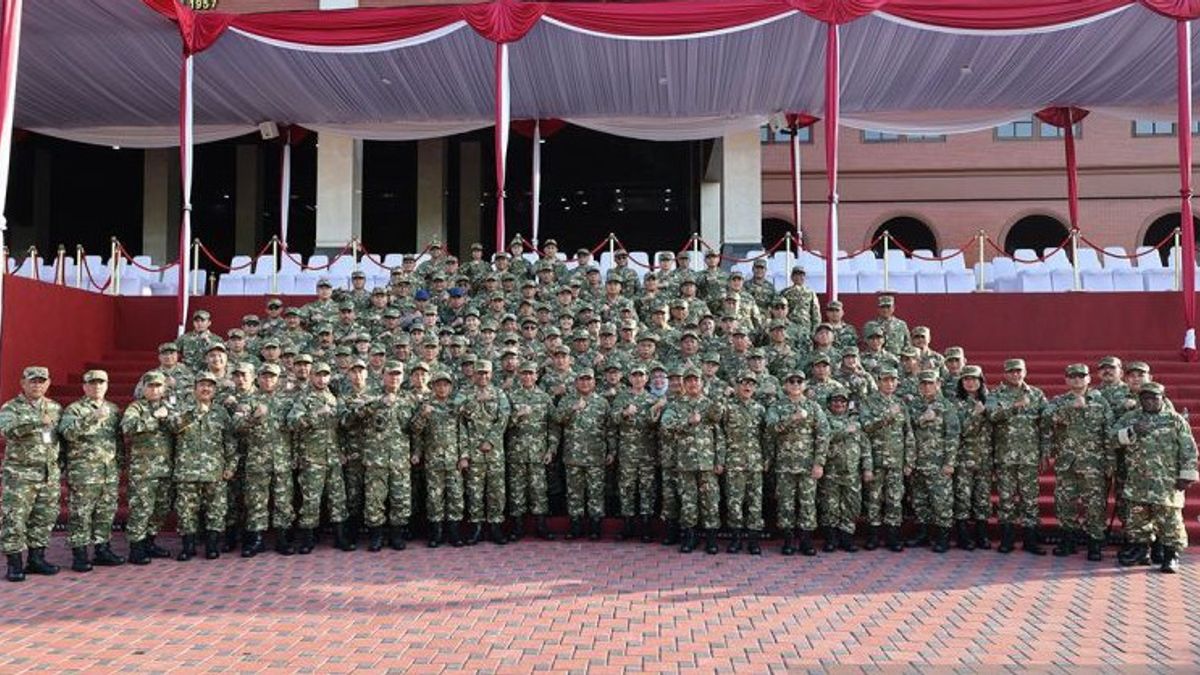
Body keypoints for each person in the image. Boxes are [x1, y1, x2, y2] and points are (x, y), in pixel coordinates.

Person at [1113, 382, 1197, 573]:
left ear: (1162, 398)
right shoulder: (1130, 418)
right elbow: (1111, 439)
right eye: (1145, 398)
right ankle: (1141, 551)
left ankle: (1171, 555)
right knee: (1137, 520)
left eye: (1154, 398)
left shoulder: (1175, 420)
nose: (1149, 401)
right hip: (1138, 480)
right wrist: (1131, 431)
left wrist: (1186, 475)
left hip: (1166, 482)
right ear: (1140, 400)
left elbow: (1189, 450)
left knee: (1170, 521)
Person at [1044, 364, 1114, 561]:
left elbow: (1108, 434)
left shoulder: (1101, 402)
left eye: (1081, 376)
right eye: (1072, 376)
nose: (1077, 380)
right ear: (1066, 380)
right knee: (1065, 503)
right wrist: (1068, 408)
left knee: (1094, 505)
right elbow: (1046, 418)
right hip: (1067, 463)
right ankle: (1069, 540)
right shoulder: (1058, 401)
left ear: (1089, 379)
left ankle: (1095, 544)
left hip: (1093, 464)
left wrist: (1110, 462)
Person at [0, 366, 63, 582]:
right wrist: (36, 421)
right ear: (23, 383)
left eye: (41, 381)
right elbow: (8, 430)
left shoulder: (54, 408)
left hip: (48, 474)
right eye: (32, 381)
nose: (37, 385)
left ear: (47, 383)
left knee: (44, 518)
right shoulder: (11, 407)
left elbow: (59, 439)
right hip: (20, 475)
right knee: (15, 518)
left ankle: (36, 559)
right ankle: (15, 564)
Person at [59, 369, 124, 572]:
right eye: (92, 383)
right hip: (84, 472)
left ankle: (102, 549)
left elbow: (118, 440)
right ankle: (79, 554)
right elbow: (67, 433)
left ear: (106, 385)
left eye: (101, 383)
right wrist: (92, 418)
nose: (97, 387)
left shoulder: (113, 409)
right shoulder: (75, 409)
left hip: (108, 471)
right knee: (81, 513)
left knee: (105, 511)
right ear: (84, 386)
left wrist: (119, 463)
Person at [170, 372, 238, 561]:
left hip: (215, 471)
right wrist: (193, 413)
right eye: (202, 385)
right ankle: (188, 547)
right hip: (187, 470)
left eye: (210, 386)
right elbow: (173, 428)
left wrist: (231, 466)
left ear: (215, 390)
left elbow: (230, 442)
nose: (206, 389)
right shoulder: (182, 409)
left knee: (216, 510)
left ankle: (212, 545)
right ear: (194, 388)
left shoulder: (221, 413)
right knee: (186, 511)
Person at [287, 362, 354, 553]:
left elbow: (343, 426)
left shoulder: (334, 399)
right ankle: (307, 540)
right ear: (311, 376)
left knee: (337, 498)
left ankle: (340, 537)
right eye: (318, 375)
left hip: (333, 457)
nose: (322, 379)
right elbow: (292, 422)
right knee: (311, 500)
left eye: (325, 375)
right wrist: (315, 414)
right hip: (312, 458)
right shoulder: (304, 399)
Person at [231, 363, 295, 556]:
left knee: (283, 501)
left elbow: (297, 427)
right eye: (265, 377)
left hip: (282, 459)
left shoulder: (287, 401)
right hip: (257, 460)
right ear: (258, 379)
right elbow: (236, 424)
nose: (268, 380)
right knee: (256, 500)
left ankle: (283, 539)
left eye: (272, 377)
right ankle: (256, 540)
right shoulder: (248, 401)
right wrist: (253, 418)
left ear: (278, 379)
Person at [661, 368, 725, 554]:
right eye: (688, 380)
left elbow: (719, 435)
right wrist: (688, 422)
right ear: (684, 384)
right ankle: (690, 537)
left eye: (695, 380)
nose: (692, 383)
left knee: (710, 501)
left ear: (701, 383)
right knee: (688, 500)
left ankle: (711, 539)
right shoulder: (676, 405)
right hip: (685, 462)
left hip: (707, 463)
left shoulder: (710, 405)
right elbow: (666, 427)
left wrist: (719, 460)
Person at [987, 358, 1047, 555]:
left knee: (1030, 499)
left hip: (1029, 456)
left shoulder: (1036, 394)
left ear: (1025, 372)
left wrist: (1044, 452)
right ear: (1005, 374)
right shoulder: (996, 394)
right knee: (1006, 499)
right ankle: (1007, 539)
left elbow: (1044, 425)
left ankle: (1030, 540)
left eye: (1018, 371)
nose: (1015, 374)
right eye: (1011, 371)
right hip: (1005, 456)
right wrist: (1014, 406)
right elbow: (992, 416)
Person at [766, 371, 830, 556]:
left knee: (807, 503)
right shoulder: (776, 407)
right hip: (785, 464)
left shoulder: (813, 407)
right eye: (791, 381)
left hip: (807, 465)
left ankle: (806, 541)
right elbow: (771, 429)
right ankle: (788, 540)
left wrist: (819, 463)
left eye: (799, 381)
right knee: (785, 502)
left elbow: (823, 435)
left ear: (804, 385)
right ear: (785, 385)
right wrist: (791, 419)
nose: (795, 384)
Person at [120, 371, 177, 564]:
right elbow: (127, 427)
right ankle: (136, 547)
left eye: (158, 386)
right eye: (150, 386)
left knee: (161, 508)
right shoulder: (136, 407)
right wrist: (154, 417)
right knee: (141, 508)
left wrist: (170, 416)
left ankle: (150, 542)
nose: (154, 390)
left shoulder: (169, 406)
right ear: (143, 388)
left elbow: (182, 427)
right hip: (143, 469)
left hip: (165, 467)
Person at [554, 369, 612, 540]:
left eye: (588, 379)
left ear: (594, 382)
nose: (585, 383)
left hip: (596, 455)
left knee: (596, 491)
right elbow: (557, 420)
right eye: (581, 379)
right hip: (573, 455)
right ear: (576, 382)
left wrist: (612, 450)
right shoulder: (567, 400)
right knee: (574, 492)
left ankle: (595, 526)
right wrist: (573, 409)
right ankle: (575, 526)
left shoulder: (602, 402)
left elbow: (609, 429)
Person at [458, 360, 512, 545]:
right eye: (480, 373)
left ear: (491, 374)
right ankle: (476, 527)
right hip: (473, 450)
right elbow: (458, 415)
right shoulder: (464, 393)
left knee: (496, 490)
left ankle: (496, 526)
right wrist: (474, 402)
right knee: (474, 491)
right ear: (474, 374)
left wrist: (490, 440)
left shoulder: (499, 394)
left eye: (487, 373)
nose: (483, 377)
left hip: (494, 450)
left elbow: (504, 418)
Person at [859, 368, 913, 552]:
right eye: (885, 380)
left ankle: (893, 535)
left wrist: (909, 461)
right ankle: (873, 535)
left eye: (893, 380)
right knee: (873, 498)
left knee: (894, 498)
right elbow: (865, 428)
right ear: (878, 381)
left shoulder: (901, 404)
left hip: (896, 461)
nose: (889, 383)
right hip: (875, 459)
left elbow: (909, 434)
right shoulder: (868, 402)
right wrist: (886, 416)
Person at [906, 371, 959, 553]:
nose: (927, 387)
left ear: (938, 384)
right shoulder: (914, 405)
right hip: (917, 461)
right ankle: (924, 534)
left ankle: (942, 537)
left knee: (941, 501)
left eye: (930, 383)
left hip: (938, 463)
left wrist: (949, 462)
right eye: (923, 384)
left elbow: (952, 436)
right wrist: (922, 419)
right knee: (920, 500)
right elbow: (906, 429)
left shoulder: (946, 406)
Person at [411, 369, 465, 547]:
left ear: (450, 387)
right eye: (438, 385)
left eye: (445, 385)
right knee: (435, 497)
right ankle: (436, 533)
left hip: (453, 460)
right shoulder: (426, 405)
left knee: (455, 496)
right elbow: (416, 431)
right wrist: (422, 416)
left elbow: (463, 432)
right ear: (432, 387)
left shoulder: (456, 406)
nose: (442, 388)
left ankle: (455, 533)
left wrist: (464, 456)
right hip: (433, 460)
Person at [609, 365, 664, 542]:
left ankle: (646, 527)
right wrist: (625, 413)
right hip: (627, 451)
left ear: (646, 379)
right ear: (630, 378)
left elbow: (657, 426)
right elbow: (613, 418)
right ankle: (628, 525)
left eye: (641, 375)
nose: (638, 379)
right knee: (626, 488)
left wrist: (656, 409)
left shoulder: (652, 399)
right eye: (635, 375)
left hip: (647, 452)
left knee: (647, 488)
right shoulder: (622, 397)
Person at [505, 361, 557, 541]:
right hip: (516, 452)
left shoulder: (544, 397)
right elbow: (503, 425)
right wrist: (516, 416)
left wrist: (551, 449)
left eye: (530, 373)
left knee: (538, 490)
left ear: (536, 376)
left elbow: (553, 425)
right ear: (519, 376)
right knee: (517, 490)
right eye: (524, 373)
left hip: (538, 452)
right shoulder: (511, 397)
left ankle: (541, 526)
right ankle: (517, 528)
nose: (527, 377)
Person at [818, 385, 872, 553]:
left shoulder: (855, 421)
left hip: (852, 472)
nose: (839, 404)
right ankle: (831, 539)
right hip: (831, 472)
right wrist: (844, 431)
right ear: (829, 403)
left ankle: (847, 538)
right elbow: (823, 439)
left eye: (842, 401)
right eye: (835, 401)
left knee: (851, 506)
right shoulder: (823, 419)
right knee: (830, 506)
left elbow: (865, 446)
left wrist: (867, 468)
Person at [722, 372, 767, 554]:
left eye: (751, 384)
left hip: (755, 462)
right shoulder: (728, 407)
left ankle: (753, 540)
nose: (747, 387)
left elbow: (766, 436)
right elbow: (719, 430)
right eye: (744, 383)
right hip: (734, 462)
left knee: (755, 502)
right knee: (734, 502)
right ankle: (736, 539)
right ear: (737, 385)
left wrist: (767, 458)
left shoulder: (760, 409)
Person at [952, 365, 993, 551]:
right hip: (964, 458)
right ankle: (963, 537)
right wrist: (976, 415)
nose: (970, 382)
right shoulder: (955, 404)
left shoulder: (990, 401)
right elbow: (961, 431)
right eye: (966, 379)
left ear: (981, 381)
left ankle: (982, 535)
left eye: (974, 379)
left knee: (982, 497)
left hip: (985, 457)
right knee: (963, 497)